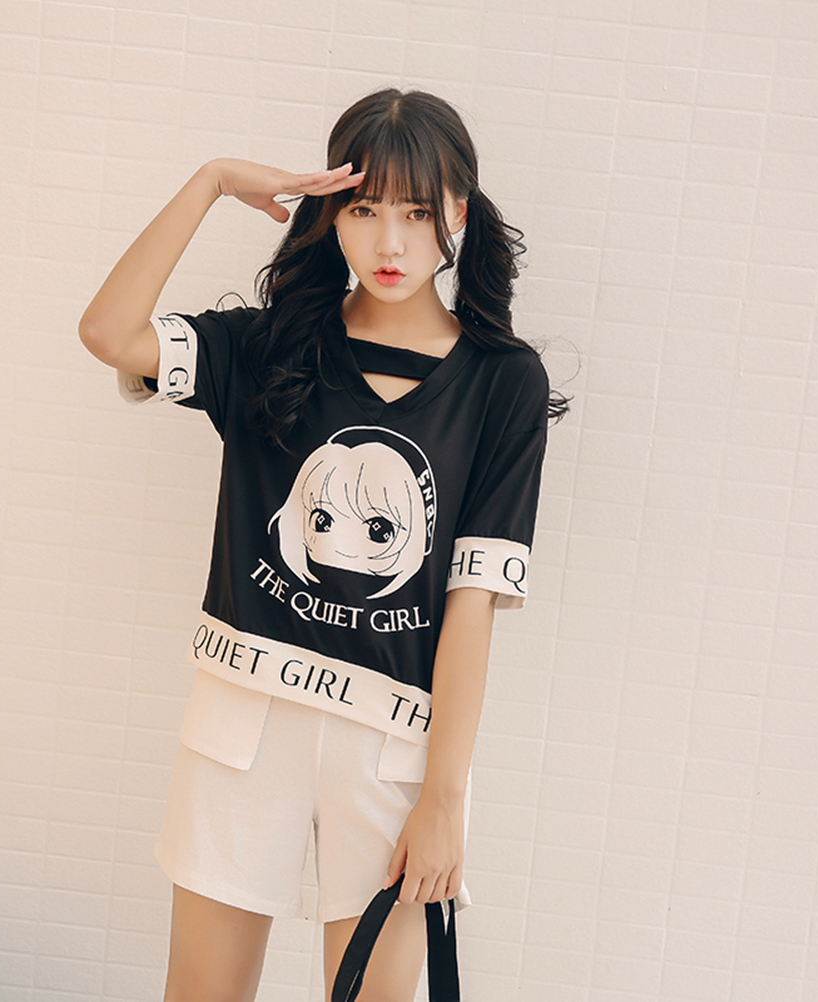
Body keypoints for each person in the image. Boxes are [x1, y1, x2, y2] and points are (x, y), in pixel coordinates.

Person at [79, 88, 563, 1002]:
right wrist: (212, 180)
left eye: (416, 212)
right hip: (245, 715)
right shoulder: (270, 346)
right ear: (330, 213)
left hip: (393, 745)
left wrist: (445, 798)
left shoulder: (503, 384)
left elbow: (471, 604)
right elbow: (109, 333)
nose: (390, 243)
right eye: (365, 210)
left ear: (458, 213)